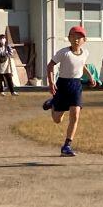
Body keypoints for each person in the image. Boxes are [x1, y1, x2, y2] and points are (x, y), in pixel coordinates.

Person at [42, 26, 96, 157]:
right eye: (73, 36)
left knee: (75, 114)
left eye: (79, 37)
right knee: (57, 119)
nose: (76, 39)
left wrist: (90, 76)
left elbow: (82, 65)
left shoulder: (85, 53)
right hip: (63, 85)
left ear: (84, 40)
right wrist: (51, 83)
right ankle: (53, 104)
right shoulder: (64, 52)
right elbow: (50, 66)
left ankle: (67, 145)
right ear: (69, 38)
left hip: (76, 85)